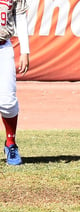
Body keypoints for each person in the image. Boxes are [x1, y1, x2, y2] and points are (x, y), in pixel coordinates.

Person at [1, 0, 30, 165]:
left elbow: (19, 15)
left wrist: (25, 50)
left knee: (7, 101)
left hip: (3, 47)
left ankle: (10, 143)